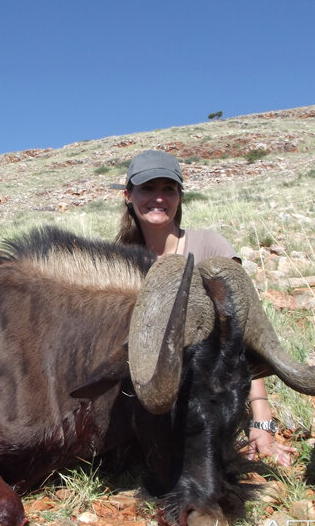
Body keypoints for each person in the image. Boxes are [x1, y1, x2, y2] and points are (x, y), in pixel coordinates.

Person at [116, 149, 297, 467]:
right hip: (145, 397)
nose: (158, 198)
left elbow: (240, 336)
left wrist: (261, 418)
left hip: (207, 394)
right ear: (129, 195)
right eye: (148, 188)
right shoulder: (116, 263)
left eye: (168, 189)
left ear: (179, 197)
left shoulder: (211, 248)